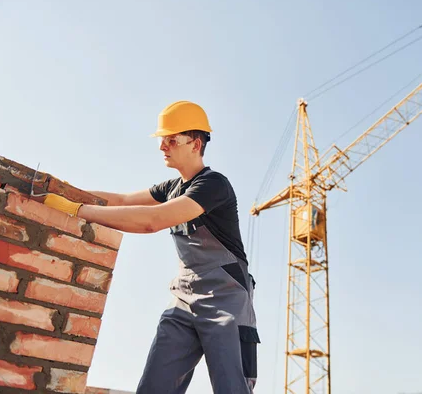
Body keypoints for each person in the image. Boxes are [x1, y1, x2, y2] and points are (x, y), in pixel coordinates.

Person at [41, 100, 260, 394]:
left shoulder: (213, 185)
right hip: (184, 298)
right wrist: (64, 189)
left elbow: (152, 221)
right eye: (162, 140)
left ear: (195, 144)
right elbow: (120, 201)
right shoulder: (171, 187)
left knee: (231, 387)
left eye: (171, 139)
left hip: (226, 301)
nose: (162, 147)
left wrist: (77, 210)